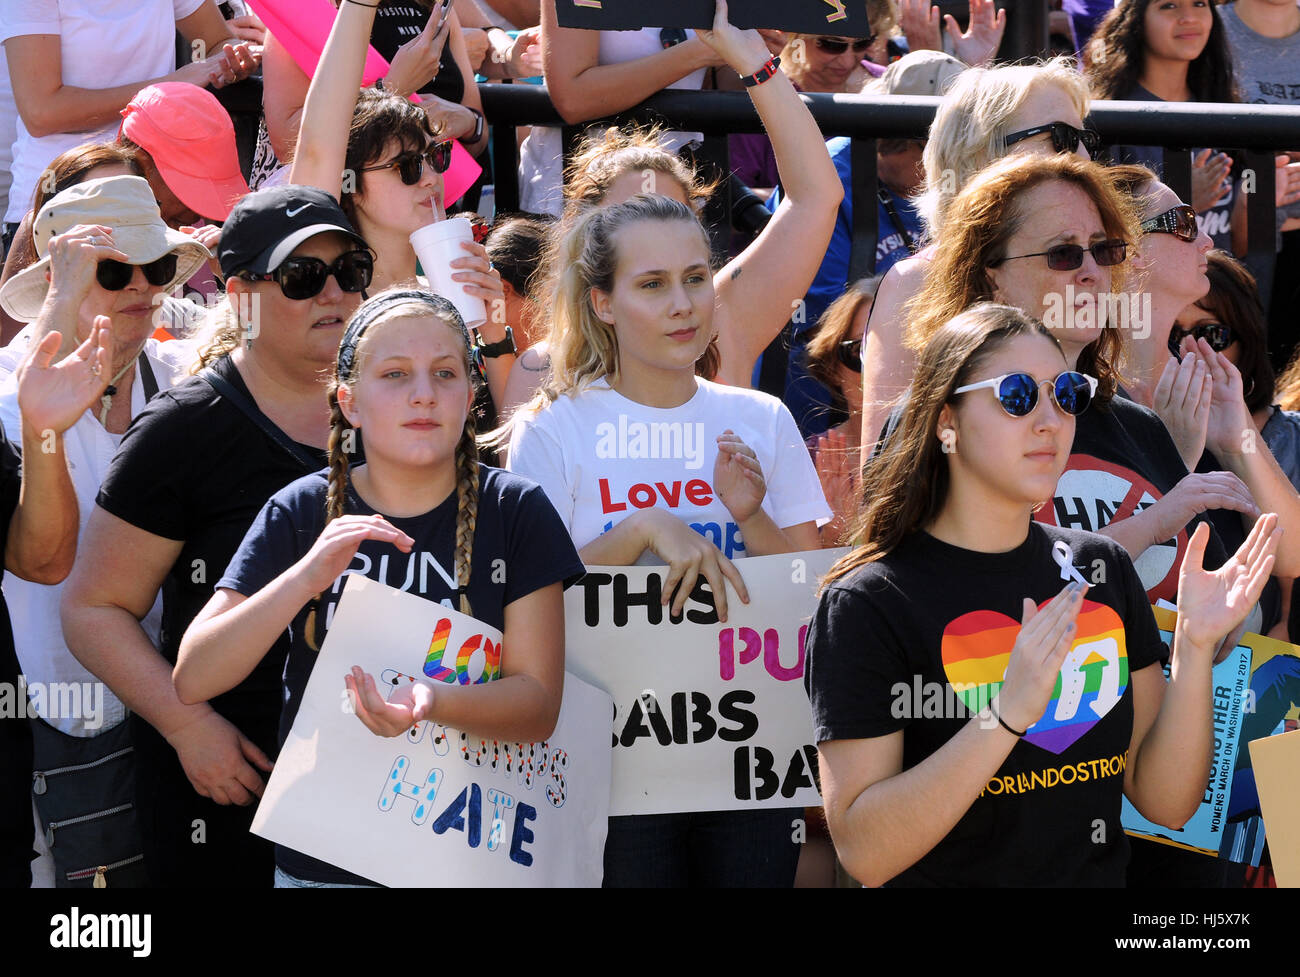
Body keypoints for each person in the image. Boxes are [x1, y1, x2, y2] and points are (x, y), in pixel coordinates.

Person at [806, 301, 1280, 887]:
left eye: (1067, 394)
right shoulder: (869, 601)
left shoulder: (1099, 568)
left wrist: (1194, 647)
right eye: (1017, 395)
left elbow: (1167, 802)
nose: (1050, 421)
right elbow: (864, 854)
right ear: (945, 422)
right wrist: (1008, 715)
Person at [173, 288, 582, 887]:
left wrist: (428, 704)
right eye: (394, 374)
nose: (423, 393)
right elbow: (194, 676)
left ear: (470, 398)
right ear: (350, 403)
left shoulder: (515, 509)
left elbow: (538, 705)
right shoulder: (300, 510)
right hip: (327, 860)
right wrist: (306, 575)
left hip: (471, 858)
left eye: (445, 373)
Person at [506, 193, 829, 887]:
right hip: (608, 766)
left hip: (745, 759)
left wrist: (750, 518)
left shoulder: (762, 418)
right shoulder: (554, 427)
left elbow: (811, 598)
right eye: (651, 285)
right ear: (603, 303)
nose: (683, 303)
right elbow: (526, 602)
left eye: (694, 277)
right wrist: (644, 530)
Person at [60, 185, 373, 887]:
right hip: (231, 785)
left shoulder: (397, 403)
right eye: (301, 277)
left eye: (350, 272)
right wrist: (186, 725)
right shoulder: (183, 431)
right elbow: (92, 610)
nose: (334, 294)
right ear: (241, 295)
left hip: (381, 781)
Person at [0, 174, 208, 887]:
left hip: (178, 698)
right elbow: (45, 561)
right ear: (59, 283)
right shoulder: (5, 394)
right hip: (57, 709)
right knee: (94, 928)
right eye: (113, 270)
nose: (142, 288)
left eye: (156, 267)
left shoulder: (186, 378)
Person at [500, 5, 842, 411]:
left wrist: (755, 62)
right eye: (633, 216)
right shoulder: (543, 368)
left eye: (672, 213)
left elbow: (816, 197)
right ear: (588, 246)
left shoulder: (721, 319)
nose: (656, 231)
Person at [859, 56, 1097, 454]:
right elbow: (887, 472)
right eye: (1060, 138)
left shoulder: (1095, 266)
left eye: (1084, 141)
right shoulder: (918, 281)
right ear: (981, 156)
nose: (1084, 160)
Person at [287, 0, 510, 406]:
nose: (430, 178)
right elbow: (320, 147)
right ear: (349, 183)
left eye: (435, 157)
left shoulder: (450, 296)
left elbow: (510, 442)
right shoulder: (332, 297)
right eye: (406, 166)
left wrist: (494, 332)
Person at [776, 49, 967, 437]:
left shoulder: (964, 178)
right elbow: (825, 317)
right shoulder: (828, 170)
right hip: (830, 389)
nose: (952, 162)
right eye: (942, 148)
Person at [0, 0, 258, 240]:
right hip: (61, 210)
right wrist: (170, 85)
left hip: (158, 204)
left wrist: (230, 62)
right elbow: (42, 114)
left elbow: (217, 43)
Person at [1085, 0, 1300, 257]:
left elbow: (1244, 252)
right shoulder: (1109, 119)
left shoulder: (1229, 107)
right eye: (1168, 6)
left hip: (1224, 293)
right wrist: (1181, 201)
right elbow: (1104, 245)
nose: (1189, 17)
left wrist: (1252, 202)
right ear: (1135, 19)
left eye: (1199, 3)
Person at [263, 0, 490, 170]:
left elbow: (478, 139)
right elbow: (287, 144)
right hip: (349, 208)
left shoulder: (434, 5)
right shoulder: (305, 6)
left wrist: (469, 122)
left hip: (436, 205)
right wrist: (392, 89)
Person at [0, 143, 144, 346]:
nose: (140, 284)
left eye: (159, 267)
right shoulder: (13, 363)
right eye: (110, 271)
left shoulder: (169, 337)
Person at [803, 276, 880, 546]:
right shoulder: (806, 463)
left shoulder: (949, 455)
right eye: (860, 350)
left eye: (896, 352)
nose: (876, 369)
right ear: (833, 366)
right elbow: (792, 581)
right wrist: (834, 537)